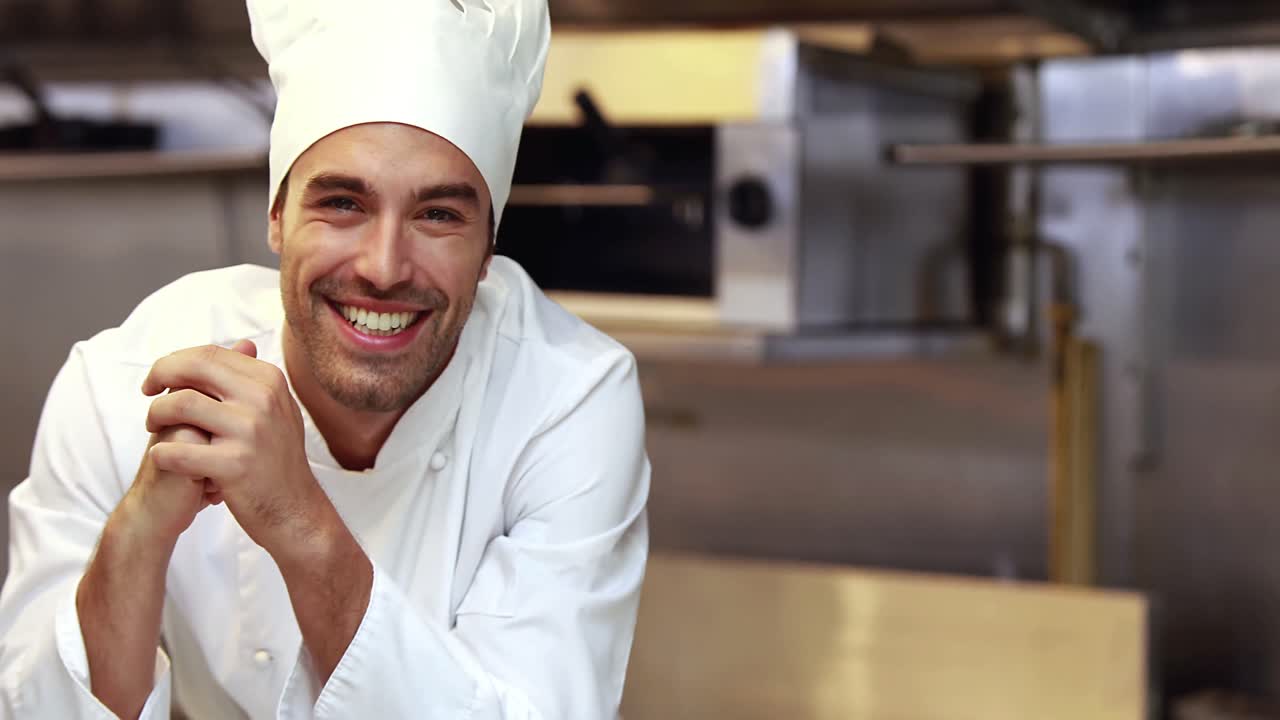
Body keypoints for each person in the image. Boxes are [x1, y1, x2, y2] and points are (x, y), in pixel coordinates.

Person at [0, 0, 650, 718]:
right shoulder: (129, 383)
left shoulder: (567, 397)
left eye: (438, 214)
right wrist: (141, 530)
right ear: (276, 218)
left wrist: (299, 521)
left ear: (488, 248)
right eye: (343, 203)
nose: (382, 266)